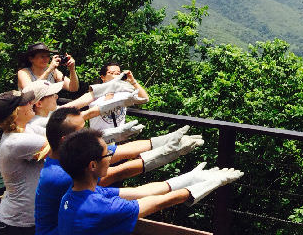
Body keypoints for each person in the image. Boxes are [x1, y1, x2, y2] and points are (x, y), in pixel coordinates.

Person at [35, 108, 203, 235]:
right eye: (81, 129)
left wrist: (161, 142)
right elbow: (117, 173)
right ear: (65, 140)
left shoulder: (69, 160)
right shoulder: (62, 176)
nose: (87, 132)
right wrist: (166, 154)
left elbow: (121, 151)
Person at [57, 129, 242, 235]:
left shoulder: (77, 193)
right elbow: (159, 202)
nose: (111, 157)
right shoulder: (101, 207)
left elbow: (140, 192)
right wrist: (207, 184)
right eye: (108, 155)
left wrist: (190, 178)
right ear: (92, 165)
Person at [0, 89, 47, 234]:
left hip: (22, 221)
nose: (31, 103)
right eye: (25, 103)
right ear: (15, 113)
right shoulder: (16, 141)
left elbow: (57, 129)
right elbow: (62, 146)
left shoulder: (23, 130)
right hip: (17, 225)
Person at [88, 62, 149, 133]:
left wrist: (132, 81)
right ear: (102, 77)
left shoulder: (123, 93)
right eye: (111, 73)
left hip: (117, 137)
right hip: (98, 138)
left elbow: (145, 99)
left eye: (118, 73)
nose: (115, 76)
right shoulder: (95, 93)